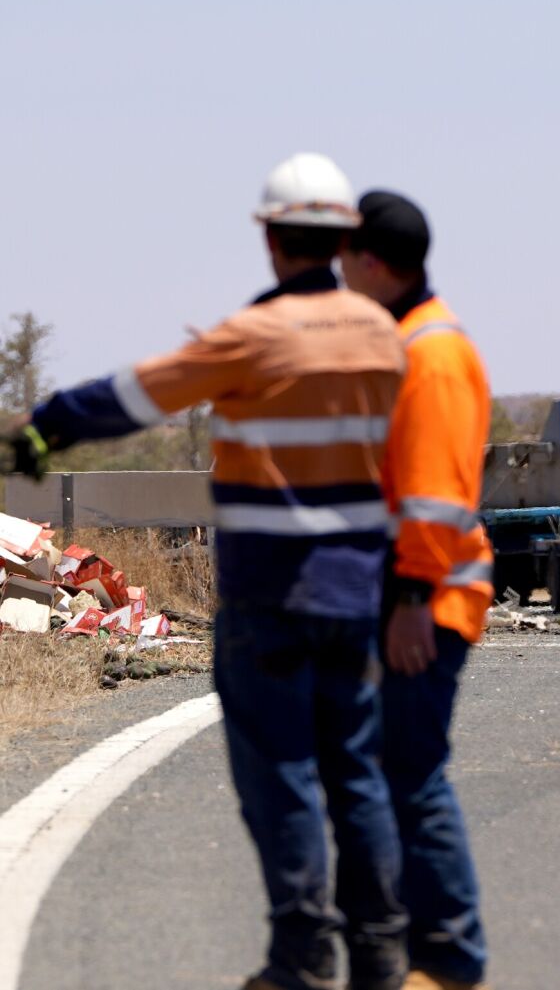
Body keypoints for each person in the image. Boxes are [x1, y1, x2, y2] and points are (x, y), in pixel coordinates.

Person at [11, 153, 409, 990]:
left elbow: (139, 391)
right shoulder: (384, 338)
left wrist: (45, 426)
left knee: (286, 777)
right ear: (344, 239)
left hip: (270, 598)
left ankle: (302, 958)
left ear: (269, 238)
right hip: (359, 595)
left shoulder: (253, 336)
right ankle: (380, 955)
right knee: (359, 773)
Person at [339, 191, 492, 990]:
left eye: (343, 256)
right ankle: (425, 952)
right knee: (396, 774)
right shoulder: (410, 340)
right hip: (412, 596)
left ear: (370, 261)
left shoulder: (428, 353)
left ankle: (452, 958)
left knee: (414, 775)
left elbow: (434, 502)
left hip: (426, 603)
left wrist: (406, 603)